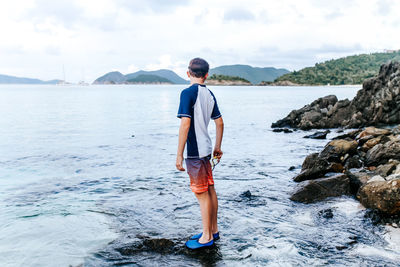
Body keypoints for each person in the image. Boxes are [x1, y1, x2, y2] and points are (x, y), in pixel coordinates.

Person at [176, 58, 224, 249]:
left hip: (195, 152)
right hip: (206, 149)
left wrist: (179, 154)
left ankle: (206, 236)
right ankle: (213, 230)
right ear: (206, 75)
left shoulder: (187, 93)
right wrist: (218, 147)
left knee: (202, 193)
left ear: (188, 73)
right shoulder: (209, 93)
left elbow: (185, 124)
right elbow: (219, 122)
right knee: (210, 189)